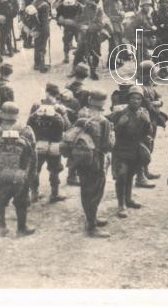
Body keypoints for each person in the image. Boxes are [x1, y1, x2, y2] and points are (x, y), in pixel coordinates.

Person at [0, 102, 37, 237]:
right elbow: (33, 154)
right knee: (21, 201)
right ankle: (21, 228)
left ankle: (2, 228)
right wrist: (31, 174)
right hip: (20, 173)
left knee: (0, 200)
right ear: (16, 116)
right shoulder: (26, 131)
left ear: (2, 115)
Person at [69, 90, 113, 238]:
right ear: (103, 103)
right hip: (96, 161)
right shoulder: (103, 121)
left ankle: (91, 218)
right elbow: (107, 146)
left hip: (81, 159)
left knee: (85, 190)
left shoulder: (82, 113)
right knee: (95, 192)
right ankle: (92, 226)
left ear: (90, 100)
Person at [108, 85, 151, 216]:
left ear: (141, 100)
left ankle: (128, 199)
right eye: (133, 98)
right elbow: (111, 133)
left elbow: (147, 133)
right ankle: (121, 204)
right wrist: (120, 124)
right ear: (128, 99)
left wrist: (147, 122)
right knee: (121, 175)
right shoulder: (119, 113)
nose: (135, 101)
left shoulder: (143, 113)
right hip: (121, 149)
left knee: (131, 174)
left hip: (135, 149)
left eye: (138, 99)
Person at [27, 103, 69, 203]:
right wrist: (64, 114)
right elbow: (66, 129)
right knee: (54, 170)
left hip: (38, 145)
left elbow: (28, 130)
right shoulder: (58, 118)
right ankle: (55, 193)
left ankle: (34, 193)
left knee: (35, 169)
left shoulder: (33, 117)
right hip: (54, 145)